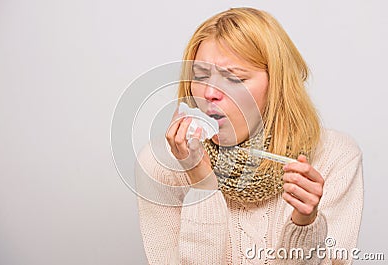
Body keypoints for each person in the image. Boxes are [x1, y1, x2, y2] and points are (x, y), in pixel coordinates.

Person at [135, 7, 363, 265]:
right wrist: (202, 183)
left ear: (277, 85)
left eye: (234, 78)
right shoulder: (160, 165)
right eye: (199, 76)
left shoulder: (335, 157)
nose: (209, 93)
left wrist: (304, 224)